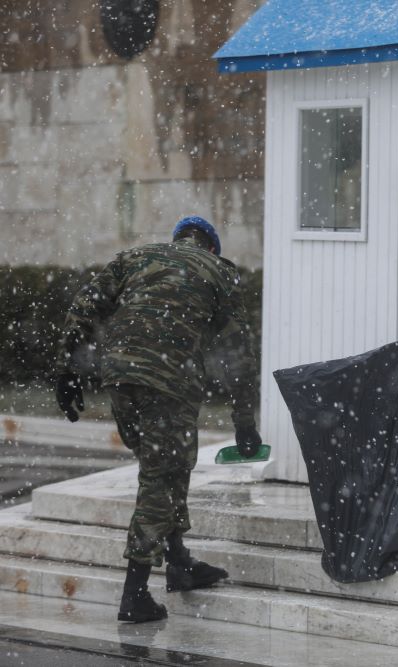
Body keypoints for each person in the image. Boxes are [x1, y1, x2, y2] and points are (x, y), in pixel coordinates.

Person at [55, 216, 262, 622]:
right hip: (169, 379)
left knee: (166, 468)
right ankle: (135, 596)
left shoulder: (136, 257)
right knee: (160, 479)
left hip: (119, 374)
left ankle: (180, 563)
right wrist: (244, 422)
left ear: (178, 239)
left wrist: (66, 371)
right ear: (212, 248)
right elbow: (238, 351)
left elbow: (84, 304)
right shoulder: (219, 271)